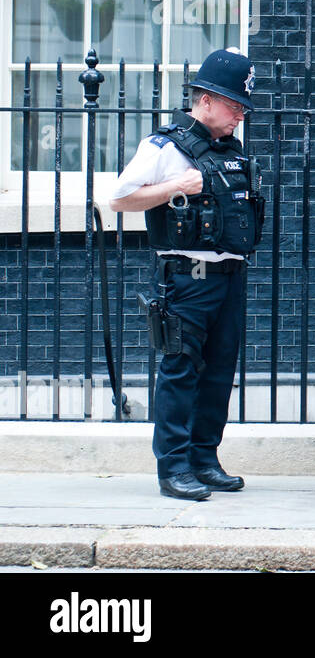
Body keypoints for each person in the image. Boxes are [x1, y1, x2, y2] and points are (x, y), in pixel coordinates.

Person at [110, 49, 264, 501]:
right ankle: (173, 468)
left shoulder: (230, 152)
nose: (240, 114)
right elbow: (120, 199)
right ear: (207, 100)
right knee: (180, 372)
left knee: (219, 372)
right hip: (186, 279)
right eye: (235, 105)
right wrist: (177, 185)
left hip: (229, 276)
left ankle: (204, 459)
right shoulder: (164, 146)